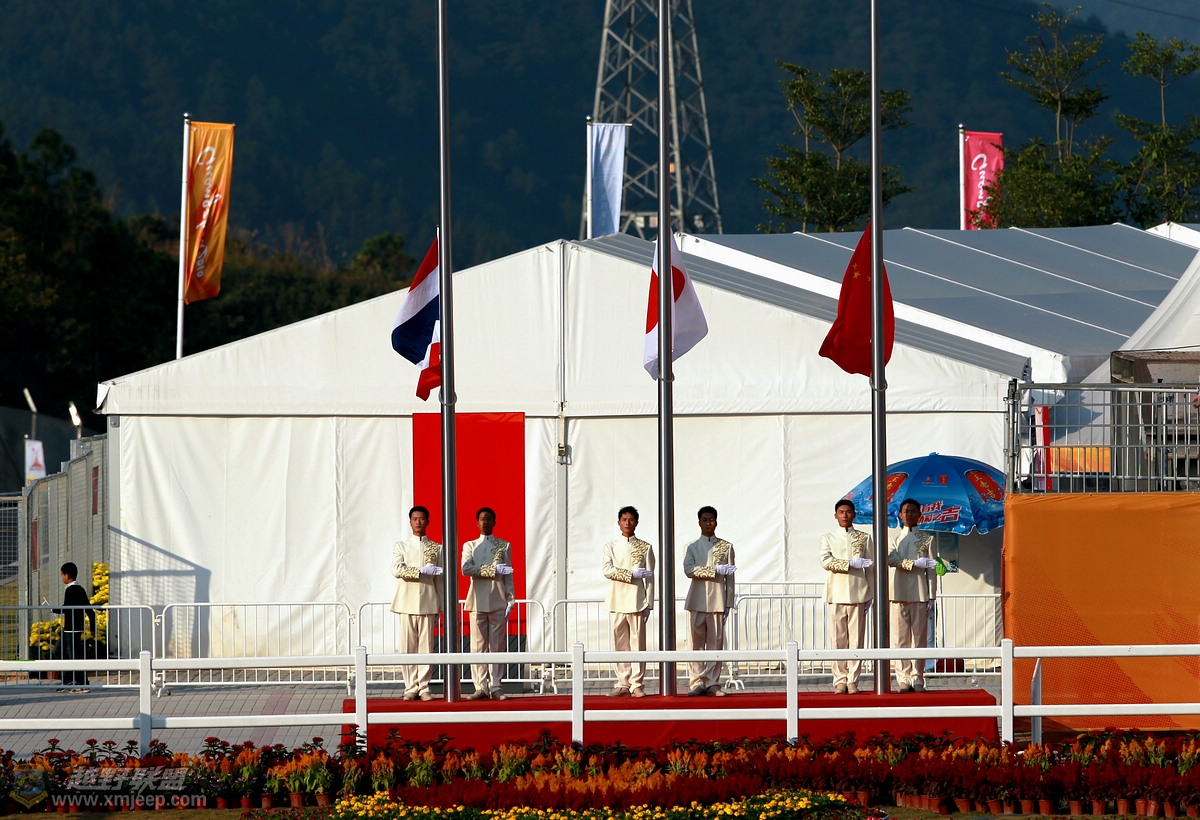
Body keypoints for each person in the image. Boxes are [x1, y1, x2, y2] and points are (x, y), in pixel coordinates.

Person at [819, 499, 875, 694]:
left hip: (859, 593)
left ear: (854, 514)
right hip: (836, 593)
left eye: (848, 511)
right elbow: (825, 561)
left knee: (857, 640)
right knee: (838, 640)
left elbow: (871, 567)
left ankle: (853, 680)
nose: (845, 515)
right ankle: (839, 679)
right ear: (835, 515)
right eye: (841, 512)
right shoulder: (828, 538)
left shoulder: (864, 537)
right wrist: (849, 564)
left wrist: (871, 593)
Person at [390, 505, 444, 702]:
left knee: (426, 647)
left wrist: (441, 606)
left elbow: (440, 580)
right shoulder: (401, 546)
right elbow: (396, 570)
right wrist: (420, 571)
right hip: (406, 602)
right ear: (410, 522)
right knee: (408, 647)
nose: (418, 522)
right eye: (415, 519)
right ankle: (410, 686)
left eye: (421, 518)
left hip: (429, 601)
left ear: (428, 521)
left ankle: (424, 686)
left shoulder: (436, 548)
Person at [460, 507, 515, 700]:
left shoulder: (503, 545)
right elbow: (466, 569)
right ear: (477, 523)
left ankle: (496, 685)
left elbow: (508, 574)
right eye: (482, 519)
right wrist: (492, 570)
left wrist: (510, 598)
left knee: (497, 645)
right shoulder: (470, 545)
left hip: (497, 599)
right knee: (478, 646)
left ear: (494, 522)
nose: (486, 522)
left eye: (489, 519)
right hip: (477, 599)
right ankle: (480, 686)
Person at [682, 506, 736, 696]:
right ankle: (696, 682)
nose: (708, 523)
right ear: (699, 522)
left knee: (715, 643)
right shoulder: (691, 547)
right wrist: (714, 571)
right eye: (704, 520)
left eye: (711, 520)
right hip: (697, 600)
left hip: (718, 600)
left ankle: (713, 682)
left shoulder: (726, 546)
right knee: (695, 644)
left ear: (716, 522)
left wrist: (728, 603)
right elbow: (689, 570)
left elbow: (730, 579)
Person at [602, 506, 655, 698]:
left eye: (631, 519)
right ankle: (622, 683)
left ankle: (636, 684)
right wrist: (631, 574)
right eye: (624, 519)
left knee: (638, 644)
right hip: (617, 600)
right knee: (619, 644)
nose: (627, 523)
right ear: (619, 522)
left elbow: (650, 577)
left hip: (637, 600)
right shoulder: (610, 546)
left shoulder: (645, 547)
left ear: (636, 523)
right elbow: (607, 570)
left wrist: (649, 603)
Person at [887, 497, 938, 693]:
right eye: (906, 511)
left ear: (919, 514)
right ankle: (903, 677)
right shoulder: (893, 538)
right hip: (898, 592)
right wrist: (913, 563)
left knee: (919, 638)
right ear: (900, 514)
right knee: (900, 639)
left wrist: (931, 595)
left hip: (920, 592)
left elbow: (932, 569)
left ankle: (918, 677)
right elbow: (891, 559)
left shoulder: (928, 539)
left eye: (913, 511)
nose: (909, 514)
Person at [53, 562, 96, 692]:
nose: (61, 577)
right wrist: (92, 626)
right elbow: (89, 610)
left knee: (74, 656)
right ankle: (67, 680)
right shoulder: (79, 589)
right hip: (69, 628)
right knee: (59, 651)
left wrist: (54, 609)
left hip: (73, 628)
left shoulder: (72, 590)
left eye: (62, 575)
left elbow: (67, 608)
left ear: (67, 575)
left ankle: (82, 683)